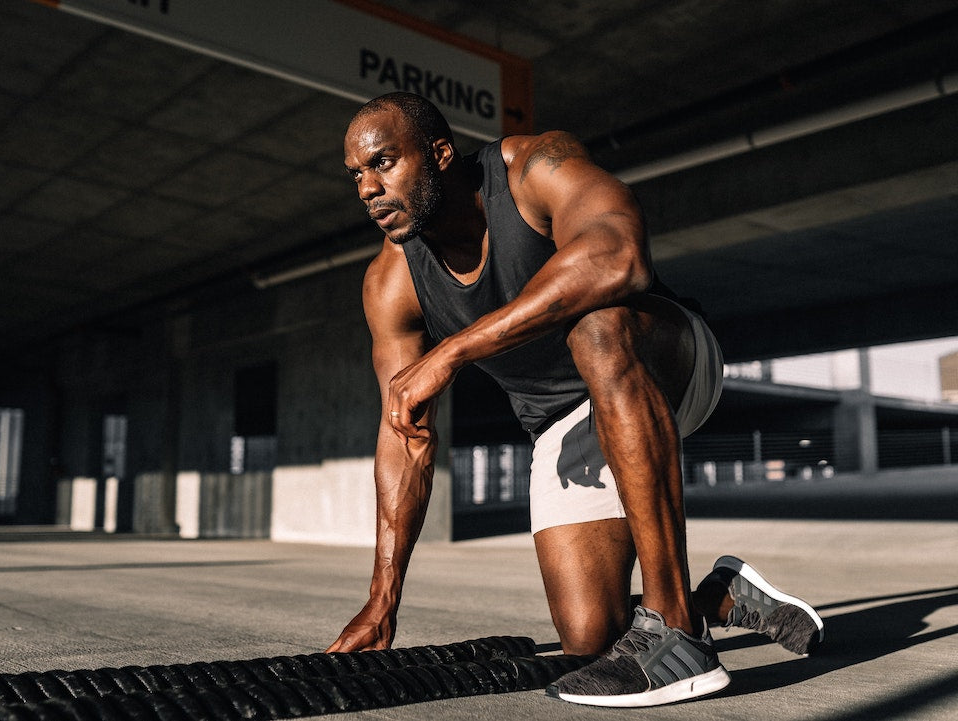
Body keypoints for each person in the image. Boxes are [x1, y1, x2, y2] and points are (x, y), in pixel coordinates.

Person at [327, 92, 822, 707]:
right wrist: (383, 597)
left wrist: (453, 350)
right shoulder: (391, 280)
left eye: (383, 163)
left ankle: (678, 628)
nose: (368, 188)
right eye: (356, 174)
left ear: (441, 154)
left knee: (598, 326)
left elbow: (619, 256)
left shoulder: (535, 168)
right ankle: (718, 597)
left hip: (664, 364)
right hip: (562, 419)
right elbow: (405, 435)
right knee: (591, 640)